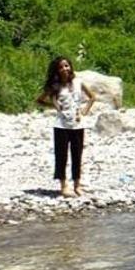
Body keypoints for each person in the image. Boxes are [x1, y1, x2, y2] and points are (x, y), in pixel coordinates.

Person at [36, 56, 96, 197]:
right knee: (61, 155)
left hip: (78, 124)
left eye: (66, 66)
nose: (64, 69)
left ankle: (77, 185)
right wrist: (55, 106)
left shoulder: (78, 82)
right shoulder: (55, 86)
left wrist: (85, 111)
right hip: (61, 125)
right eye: (61, 67)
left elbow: (92, 97)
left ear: (70, 67)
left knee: (77, 155)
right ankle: (63, 186)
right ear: (57, 70)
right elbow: (39, 100)